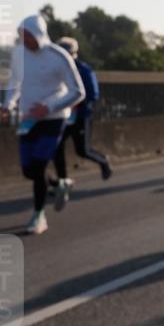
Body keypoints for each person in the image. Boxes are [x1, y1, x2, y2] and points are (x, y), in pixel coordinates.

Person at [0, 14, 85, 235]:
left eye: (28, 36)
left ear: (39, 35)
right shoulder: (19, 54)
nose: (24, 41)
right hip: (28, 120)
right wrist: (8, 105)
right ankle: (59, 184)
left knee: (38, 168)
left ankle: (38, 216)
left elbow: (79, 92)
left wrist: (48, 108)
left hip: (53, 120)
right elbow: (14, 81)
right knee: (28, 170)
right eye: (21, 36)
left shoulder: (58, 56)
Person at [47, 37, 112, 211]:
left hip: (81, 116)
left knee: (82, 150)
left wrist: (75, 102)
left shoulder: (84, 70)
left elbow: (92, 94)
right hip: (62, 117)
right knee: (56, 147)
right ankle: (62, 183)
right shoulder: (55, 71)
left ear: (74, 54)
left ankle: (103, 161)